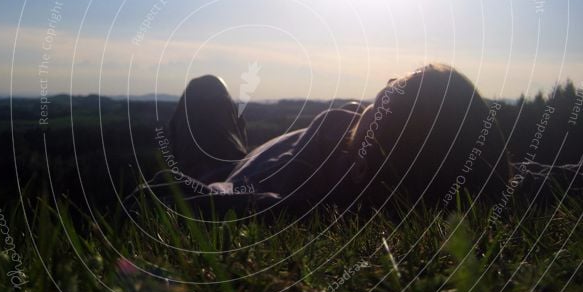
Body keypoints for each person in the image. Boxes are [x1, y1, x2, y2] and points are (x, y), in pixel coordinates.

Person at [136, 63, 513, 216]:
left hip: (224, 168)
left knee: (205, 89)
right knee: (211, 92)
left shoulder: (319, 203)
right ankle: (239, 135)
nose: (387, 81)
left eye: (393, 88)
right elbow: (517, 175)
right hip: (258, 157)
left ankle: (209, 148)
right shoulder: (461, 166)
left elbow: (182, 201)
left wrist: (175, 190)